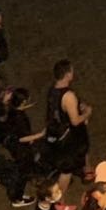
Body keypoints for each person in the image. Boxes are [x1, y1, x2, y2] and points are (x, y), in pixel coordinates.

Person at [43, 60, 92, 195]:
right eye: (71, 71)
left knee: (83, 149)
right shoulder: (68, 96)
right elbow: (75, 121)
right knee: (67, 170)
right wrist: (87, 113)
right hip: (69, 137)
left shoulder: (53, 90)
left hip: (58, 133)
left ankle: (87, 169)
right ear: (67, 75)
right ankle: (59, 198)